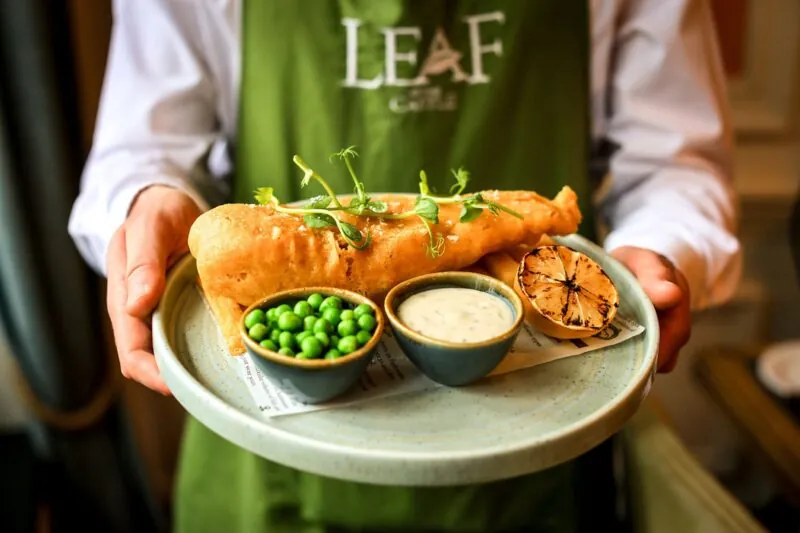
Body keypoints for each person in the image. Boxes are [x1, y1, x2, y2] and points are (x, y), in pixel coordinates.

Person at [68, 0, 742, 531]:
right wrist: (147, 201)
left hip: (541, 453)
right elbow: (144, 143)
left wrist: (660, 247)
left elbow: (675, 161)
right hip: (267, 466)